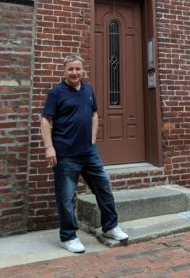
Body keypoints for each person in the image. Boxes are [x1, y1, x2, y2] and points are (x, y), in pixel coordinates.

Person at [41, 54, 128, 254]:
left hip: (89, 152)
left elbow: (94, 114)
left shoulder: (88, 89)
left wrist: (93, 139)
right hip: (65, 154)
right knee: (66, 197)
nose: (74, 72)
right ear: (64, 71)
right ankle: (68, 237)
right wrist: (49, 147)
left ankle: (110, 227)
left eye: (78, 68)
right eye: (70, 69)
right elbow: (46, 120)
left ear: (83, 70)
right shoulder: (56, 93)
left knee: (104, 188)